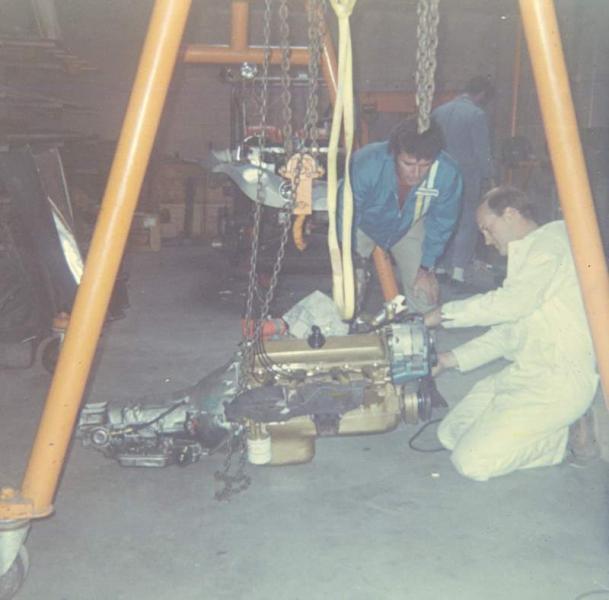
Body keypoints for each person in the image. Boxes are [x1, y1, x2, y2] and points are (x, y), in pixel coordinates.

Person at [424, 186, 598, 481]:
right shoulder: (527, 259)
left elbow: (511, 304)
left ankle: (562, 440)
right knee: (450, 434)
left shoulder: (551, 244)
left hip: (558, 381)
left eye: (487, 228)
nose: (486, 240)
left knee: (472, 462)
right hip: (525, 374)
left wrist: (443, 314)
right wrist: (448, 359)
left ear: (510, 214)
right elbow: (508, 333)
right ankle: (536, 427)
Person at [343, 119, 463, 315]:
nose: (416, 173)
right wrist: (350, 257)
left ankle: (421, 330)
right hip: (362, 224)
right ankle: (345, 324)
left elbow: (442, 223)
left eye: (425, 165)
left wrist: (426, 268)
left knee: (425, 293)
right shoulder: (367, 162)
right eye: (408, 164)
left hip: (409, 224)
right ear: (394, 153)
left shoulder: (447, 173)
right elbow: (345, 212)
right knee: (348, 289)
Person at [432, 75, 496, 288]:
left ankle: (439, 268)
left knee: (442, 219)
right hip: (466, 176)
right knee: (466, 222)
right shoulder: (476, 114)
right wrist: (490, 175)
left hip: (440, 175)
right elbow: (482, 151)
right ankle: (458, 273)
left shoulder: (439, 112)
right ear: (482, 95)